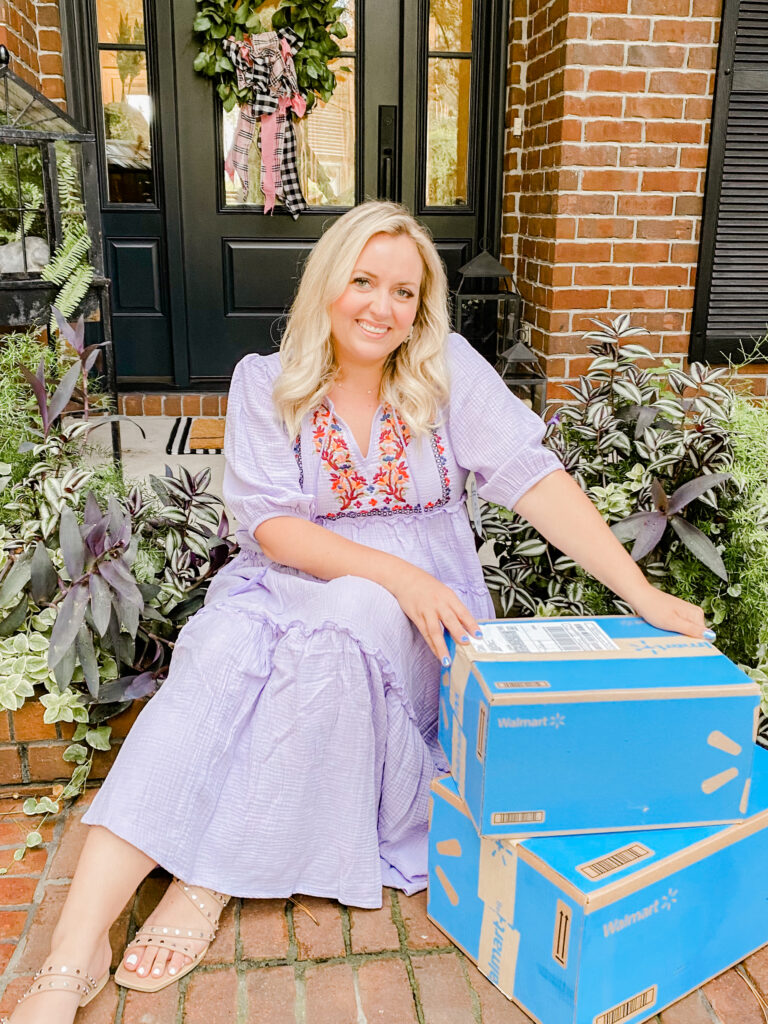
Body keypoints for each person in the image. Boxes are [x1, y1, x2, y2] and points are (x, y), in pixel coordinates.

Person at [5, 201, 707, 1023]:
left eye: (405, 292)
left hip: (411, 622)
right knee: (217, 657)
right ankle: (71, 951)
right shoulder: (266, 381)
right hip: (285, 587)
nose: (383, 307)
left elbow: (534, 478)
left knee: (341, 633)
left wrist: (643, 592)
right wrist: (386, 572)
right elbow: (270, 527)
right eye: (364, 282)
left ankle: (211, 877)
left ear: (423, 306)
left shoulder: (443, 372)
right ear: (327, 285)